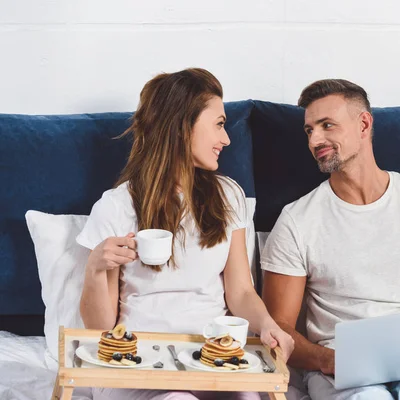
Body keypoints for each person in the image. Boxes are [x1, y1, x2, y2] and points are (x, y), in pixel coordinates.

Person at [77, 68, 294, 400]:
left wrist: (266, 324)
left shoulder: (228, 195)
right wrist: (95, 267)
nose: (226, 139)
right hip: (138, 362)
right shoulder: (117, 206)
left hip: (210, 360)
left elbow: (240, 291)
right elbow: (99, 328)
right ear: (182, 127)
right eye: (219, 125)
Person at [261, 79, 400, 400]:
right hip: (340, 362)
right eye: (309, 130)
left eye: (327, 125)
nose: (315, 139)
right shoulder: (297, 219)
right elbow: (279, 327)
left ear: (363, 124)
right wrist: (328, 361)